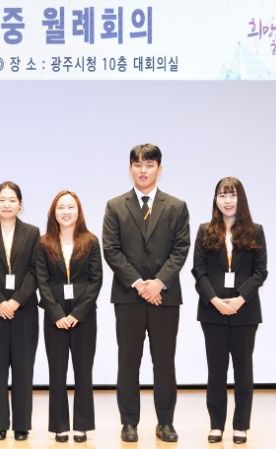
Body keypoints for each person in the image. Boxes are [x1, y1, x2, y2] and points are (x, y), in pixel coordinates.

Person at [102, 144, 190, 443]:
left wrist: (159, 282)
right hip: (128, 297)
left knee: (164, 362)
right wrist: (140, 284)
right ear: (130, 169)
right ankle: (129, 423)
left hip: (165, 296)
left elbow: (181, 248)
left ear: (159, 169)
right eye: (138, 165)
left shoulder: (176, 206)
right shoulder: (115, 205)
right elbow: (111, 250)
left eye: (149, 165)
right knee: (129, 362)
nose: (143, 170)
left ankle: (165, 422)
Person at [192, 177, 267, 445]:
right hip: (212, 312)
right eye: (222, 195)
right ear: (216, 200)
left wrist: (240, 299)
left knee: (243, 371)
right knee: (216, 372)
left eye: (232, 195)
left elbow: (260, 272)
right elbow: (198, 271)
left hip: (245, 313)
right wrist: (214, 300)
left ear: (240, 198)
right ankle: (216, 425)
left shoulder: (255, 231)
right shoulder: (204, 231)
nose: (227, 201)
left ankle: (241, 425)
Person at [0, 181, 40, 441]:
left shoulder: (33, 233)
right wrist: (0, 302)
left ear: (20, 205)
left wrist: (16, 301)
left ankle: (22, 424)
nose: (7, 204)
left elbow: (36, 271)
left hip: (24, 312)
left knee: (24, 369)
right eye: (2, 200)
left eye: (12, 200)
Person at [37, 190, 102, 443]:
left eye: (71, 207)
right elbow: (42, 281)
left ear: (79, 211)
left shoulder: (90, 241)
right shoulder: (44, 243)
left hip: (83, 316)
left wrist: (78, 313)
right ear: (54, 212)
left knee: (83, 371)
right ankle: (60, 425)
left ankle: (82, 425)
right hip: (54, 316)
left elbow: (96, 281)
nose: (66, 212)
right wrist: (56, 314)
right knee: (57, 372)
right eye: (61, 207)